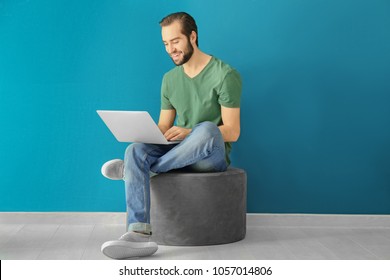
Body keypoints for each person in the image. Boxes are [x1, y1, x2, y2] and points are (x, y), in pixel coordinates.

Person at [100, 12, 242, 259]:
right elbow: (164, 127)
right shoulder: (169, 79)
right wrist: (145, 134)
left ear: (193, 36)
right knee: (135, 150)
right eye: (166, 43)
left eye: (175, 41)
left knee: (206, 129)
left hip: (210, 155)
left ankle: (137, 171)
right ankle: (138, 233)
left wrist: (190, 132)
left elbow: (233, 131)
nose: (170, 49)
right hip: (179, 150)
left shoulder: (225, 74)